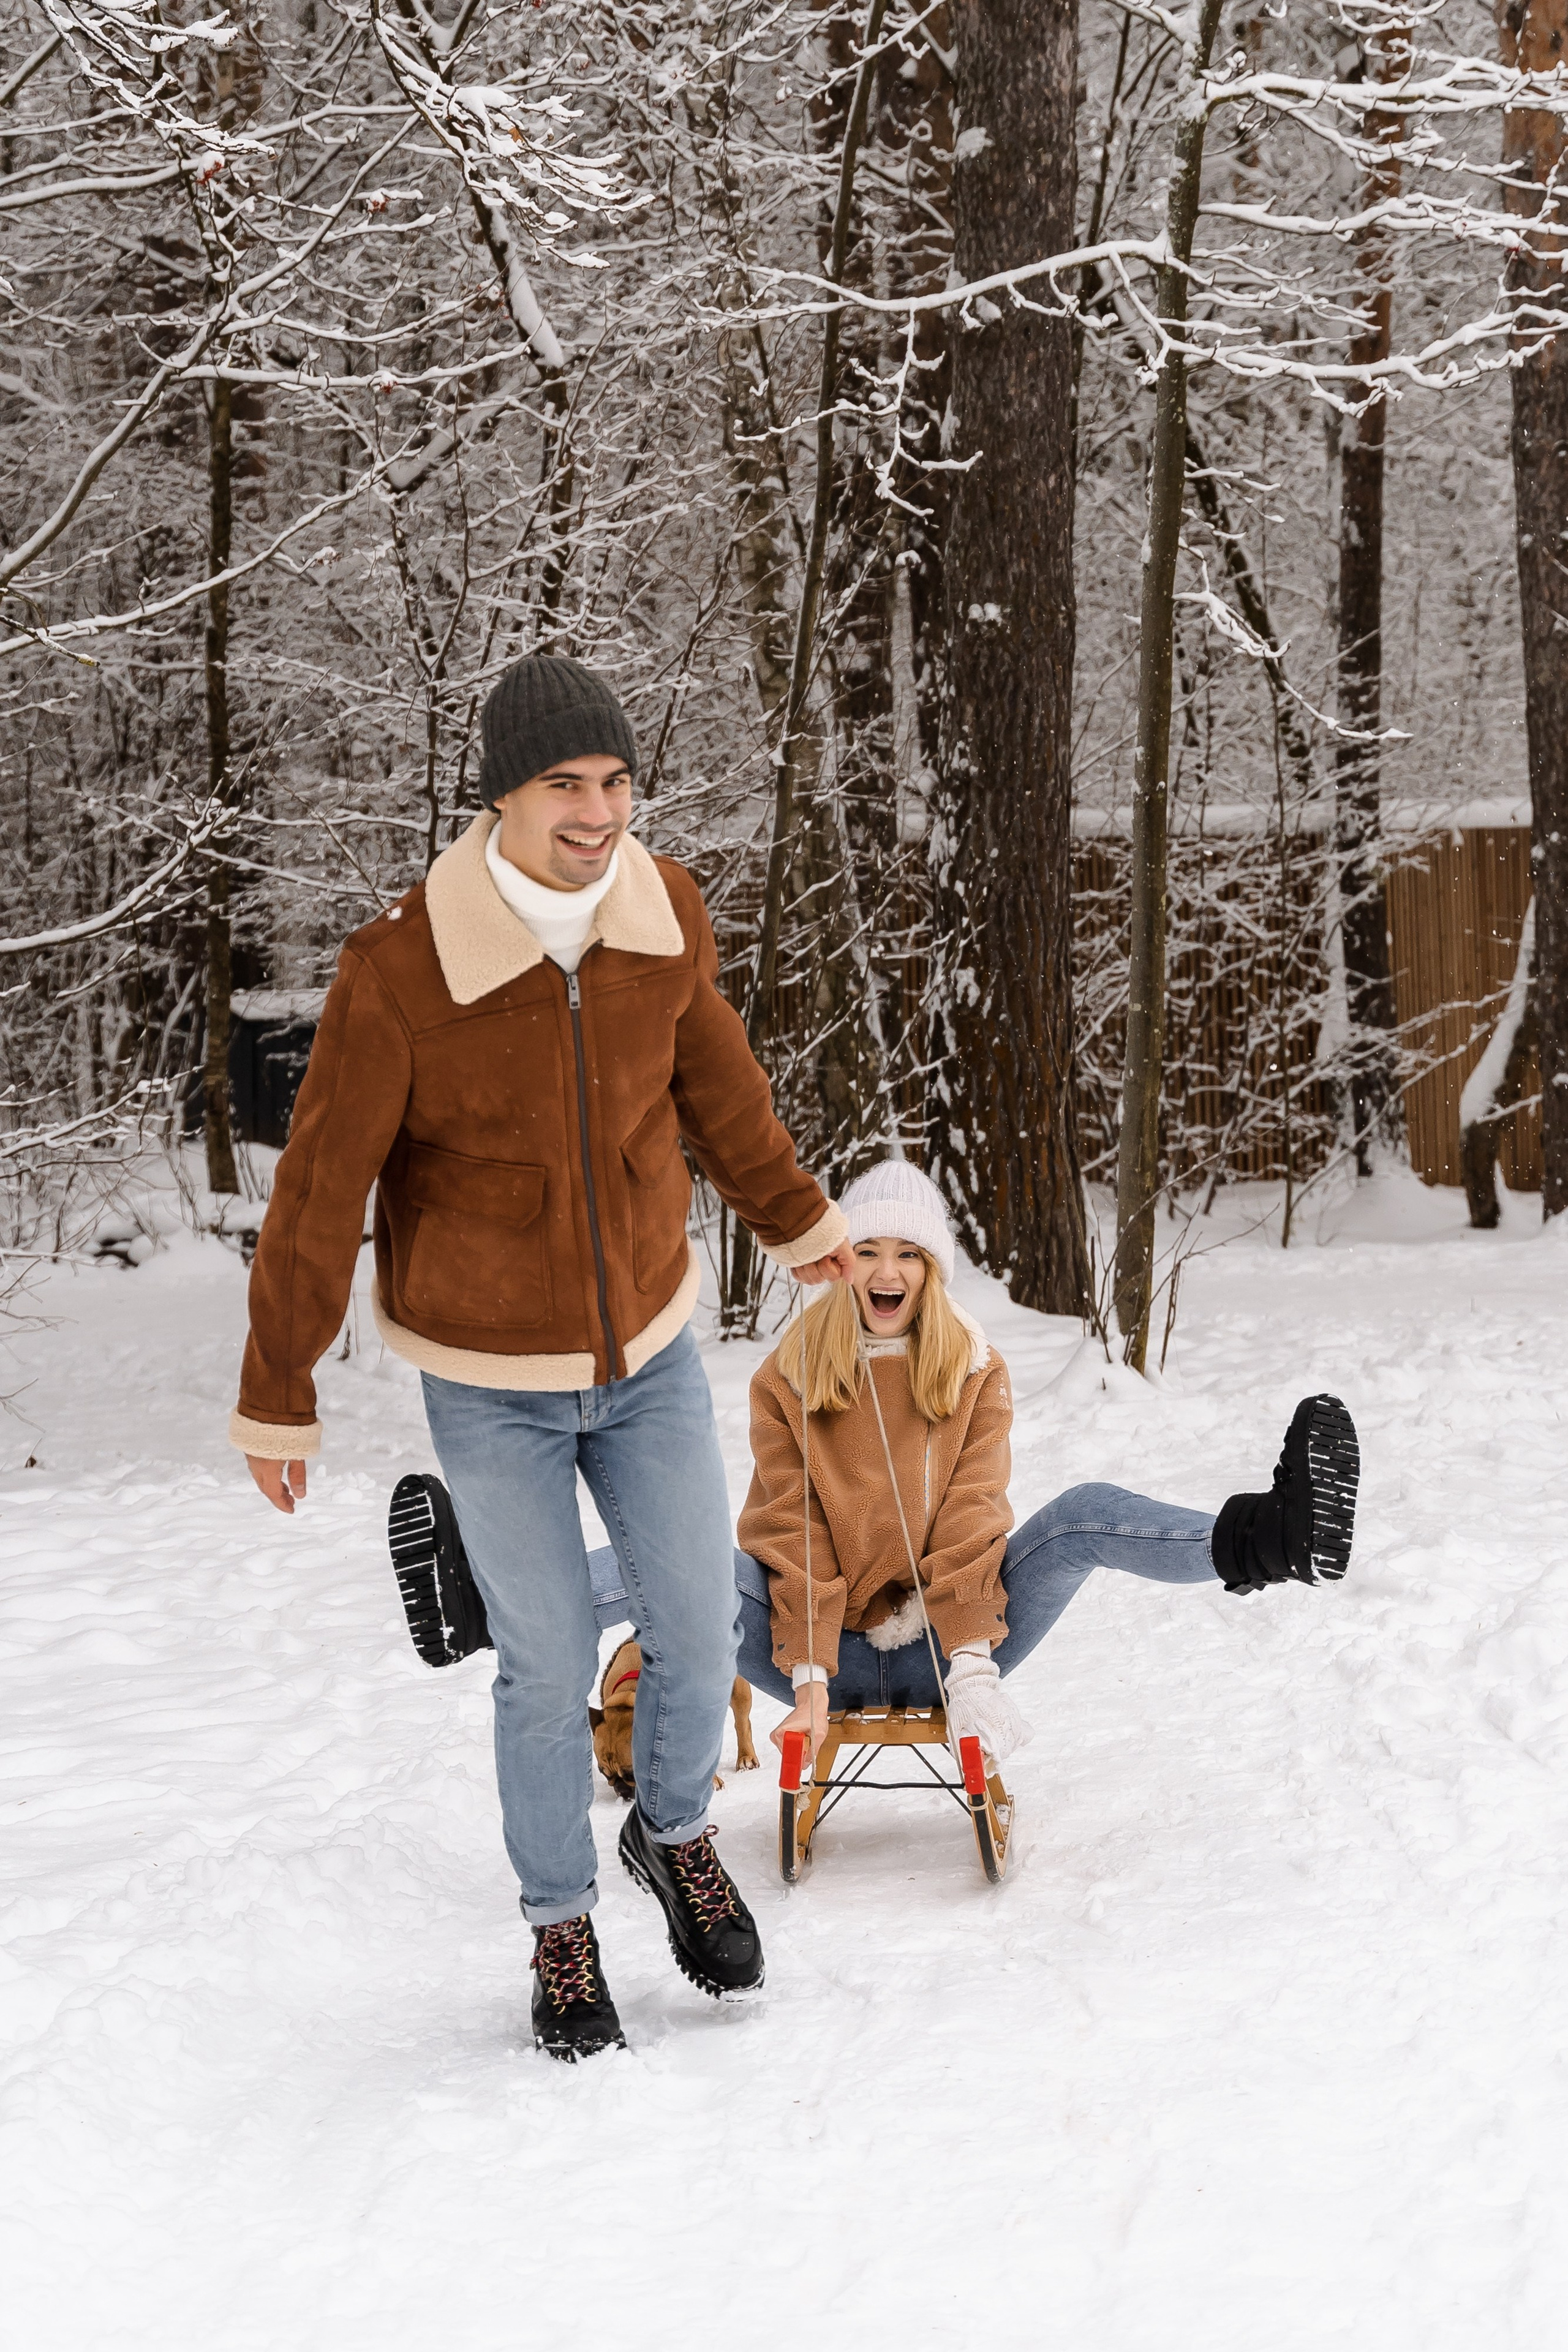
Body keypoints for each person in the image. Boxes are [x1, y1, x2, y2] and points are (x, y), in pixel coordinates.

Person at [232, 654, 851, 2062]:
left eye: (615, 781)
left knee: (696, 1627)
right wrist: (279, 1387)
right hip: (488, 1373)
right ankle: (560, 1923)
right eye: (564, 784)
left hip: (643, 1352)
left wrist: (798, 1216)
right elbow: (323, 1187)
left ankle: (674, 1833)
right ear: (501, 796)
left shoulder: (661, 912)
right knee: (545, 1656)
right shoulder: (402, 967)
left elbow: (722, 1091)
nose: (596, 811)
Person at [728, 1160, 1360, 1771]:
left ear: (932, 1269)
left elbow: (968, 1517)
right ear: (841, 1262)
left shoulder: (972, 1370)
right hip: (818, 1658)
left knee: (1079, 1516)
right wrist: (810, 1683)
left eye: (909, 1253)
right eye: (867, 1250)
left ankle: (1270, 1538)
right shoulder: (790, 1376)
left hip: (950, 1649)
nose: (887, 1270)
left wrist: (972, 1671)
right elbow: (794, 1531)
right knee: (695, 1568)